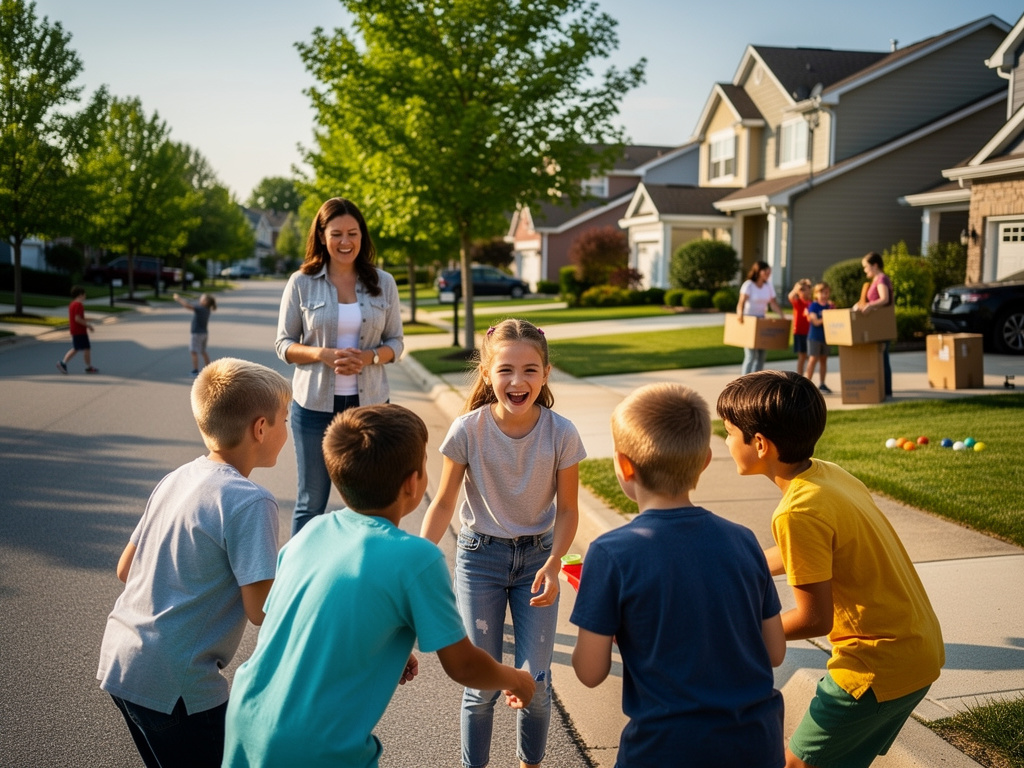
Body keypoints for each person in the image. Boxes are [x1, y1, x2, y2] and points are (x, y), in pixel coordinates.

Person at [222, 404, 535, 768]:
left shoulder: (314, 531)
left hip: (248, 719)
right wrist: (516, 679)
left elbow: (297, 619)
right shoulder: (416, 558)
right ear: (412, 482)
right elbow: (463, 666)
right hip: (321, 748)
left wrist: (382, 640)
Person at [717, 371, 945, 768]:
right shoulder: (827, 476)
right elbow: (806, 552)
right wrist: (738, 566)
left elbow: (814, 618)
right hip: (916, 649)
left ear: (759, 444)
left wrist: (736, 634)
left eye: (728, 432)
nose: (724, 441)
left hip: (875, 665)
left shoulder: (796, 511)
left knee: (796, 764)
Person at [570, 382, 787, 768]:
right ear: (705, 460)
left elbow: (589, 672)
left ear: (623, 465)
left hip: (665, 750)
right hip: (755, 745)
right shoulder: (744, 540)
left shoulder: (611, 553)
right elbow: (774, 652)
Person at [97, 358, 291, 768]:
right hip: (178, 684)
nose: (288, 432)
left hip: (123, 662)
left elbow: (125, 569)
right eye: (285, 420)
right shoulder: (252, 501)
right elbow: (262, 611)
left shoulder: (177, 477)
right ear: (260, 428)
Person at [421, 318, 586, 768]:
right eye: (506, 370)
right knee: (482, 684)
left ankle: (529, 764)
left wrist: (553, 564)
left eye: (531, 370)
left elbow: (568, 510)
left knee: (535, 680)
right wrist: (416, 557)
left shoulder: (562, 433)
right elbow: (443, 503)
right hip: (481, 560)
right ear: (488, 374)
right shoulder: (467, 431)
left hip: (539, 560)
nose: (518, 381)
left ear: (546, 373)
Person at [276, 197, 404, 535]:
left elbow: (397, 343)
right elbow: (283, 344)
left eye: (353, 233)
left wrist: (369, 357)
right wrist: (321, 354)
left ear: (362, 236)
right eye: (336, 234)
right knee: (311, 502)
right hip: (314, 406)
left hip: (371, 408)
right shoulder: (301, 283)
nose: (345, 242)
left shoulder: (383, 282)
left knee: (373, 500)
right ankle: (299, 579)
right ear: (321, 235)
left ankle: (368, 576)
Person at [736, 261, 788, 375]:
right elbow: (741, 302)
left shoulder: (768, 285)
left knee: (761, 354)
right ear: (758, 271)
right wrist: (740, 314)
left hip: (762, 320)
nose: (768, 274)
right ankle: (743, 381)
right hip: (749, 320)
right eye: (766, 271)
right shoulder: (749, 285)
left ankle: (756, 381)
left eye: (769, 272)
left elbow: (773, 303)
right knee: (750, 354)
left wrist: (782, 316)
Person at [855, 251, 894, 397]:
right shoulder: (876, 280)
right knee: (880, 357)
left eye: (866, 266)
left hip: (881, 325)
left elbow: (884, 299)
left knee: (882, 357)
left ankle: (886, 391)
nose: (865, 270)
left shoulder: (882, 279)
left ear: (875, 265)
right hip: (876, 326)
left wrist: (870, 306)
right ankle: (881, 389)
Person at [173, 292, 217, 375]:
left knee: (193, 351)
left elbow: (187, 306)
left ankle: (195, 370)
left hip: (197, 334)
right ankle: (210, 369)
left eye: (202, 298)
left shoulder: (200, 309)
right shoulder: (206, 309)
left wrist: (178, 299)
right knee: (203, 351)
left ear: (205, 302)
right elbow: (194, 305)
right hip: (204, 334)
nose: (200, 299)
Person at [57, 285, 99, 374]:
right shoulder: (79, 305)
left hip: (76, 330)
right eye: (84, 295)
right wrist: (88, 326)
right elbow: (77, 319)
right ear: (80, 295)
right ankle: (63, 363)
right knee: (82, 348)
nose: (85, 296)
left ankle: (86, 366)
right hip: (79, 331)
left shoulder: (72, 304)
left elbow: (78, 317)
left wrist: (91, 319)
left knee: (80, 348)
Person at [805, 282, 835, 393]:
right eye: (821, 292)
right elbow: (815, 322)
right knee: (812, 360)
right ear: (816, 294)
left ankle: (822, 384)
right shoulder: (813, 306)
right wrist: (827, 316)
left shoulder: (830, 306)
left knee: (823, 360)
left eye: (826, 292)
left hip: (826, 338)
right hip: (814, 337)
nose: (824, 295)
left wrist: (832, 312)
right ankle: (807, 385)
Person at [787, 279, 813, 376]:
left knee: (810, 357)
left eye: (805, 289)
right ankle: (800, 376)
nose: (803, 292)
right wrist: (796, 288)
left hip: (810, 333)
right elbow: (790, 296)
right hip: (799, 332)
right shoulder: (798, 302)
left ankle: (807, 378)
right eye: (801, 290)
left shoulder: (811, 303)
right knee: (802, 357)